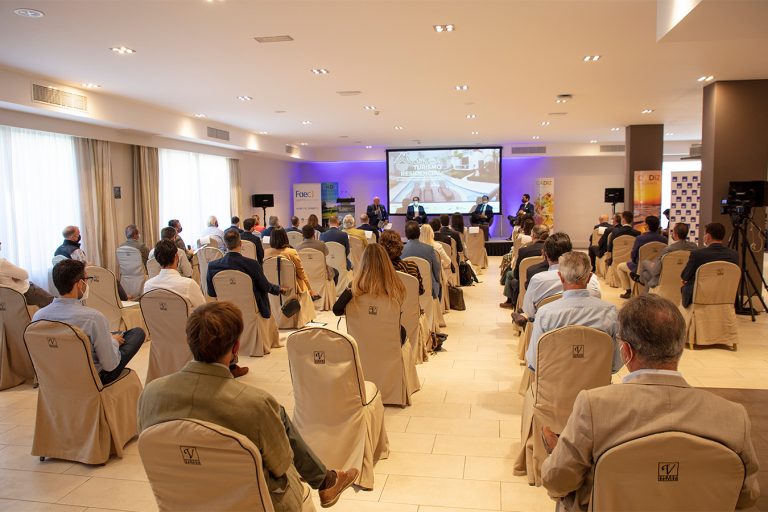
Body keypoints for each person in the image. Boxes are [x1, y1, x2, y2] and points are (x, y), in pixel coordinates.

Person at [540, 295, 759, 512]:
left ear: (626, 351)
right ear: (679, 347)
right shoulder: (734, 417)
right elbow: (747, 496)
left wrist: (558, 453)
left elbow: (557, 481)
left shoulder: (593, 407)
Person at [137, 301, 359, 511]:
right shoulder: (255, 404)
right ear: (236, 348)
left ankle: (327, 480)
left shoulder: (149, 395)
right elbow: (281, 464)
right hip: (254, 502)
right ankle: (326, 481)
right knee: (279, 429)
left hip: (183, 500)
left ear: (188, 341)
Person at [33, 259, 145, 384]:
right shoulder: (93, 318)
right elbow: (110, 365)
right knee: (137, 333)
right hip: (92, 378)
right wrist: (114, 342)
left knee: (109, 334)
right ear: (79, 284)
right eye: (87, 279)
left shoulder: (38, 317)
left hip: (54, 376)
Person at [206, 230, 286, 377]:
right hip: (252, 309)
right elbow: (265, 286)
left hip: (226, 310)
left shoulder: (212, 266)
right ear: (240, 243)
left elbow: (212, 293)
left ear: (225, 244)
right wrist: (278, 289)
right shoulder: (252, 264)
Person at [526, 251, 622, 373]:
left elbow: (534, 362)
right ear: (589, 277)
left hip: (555, 382)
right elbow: (616, 363)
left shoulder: (545, 313)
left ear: (561, 277)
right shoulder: (611, 312)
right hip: (597, 383)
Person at [513, 233, 601, 326]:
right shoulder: (591, 279)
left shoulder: (538, 280)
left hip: (547, 330)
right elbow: (596, 302)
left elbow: (529, 312)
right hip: (586, 329)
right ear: (571, 252)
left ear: (545, 254)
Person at [332, 244, 406, 327]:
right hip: (386, 332)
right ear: (386, 262)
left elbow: (337, 310)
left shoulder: (354, 286)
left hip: (360, 332)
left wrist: (353, 312)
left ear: (363, 263)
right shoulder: (395, 285)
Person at [55, 225, 129, 301]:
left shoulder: (58, 250)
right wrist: (93, 266)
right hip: (80, 279)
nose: (79, 236)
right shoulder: (75, 251)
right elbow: (84, 268)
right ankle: (124, 299)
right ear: (72, 236)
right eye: (78, 234)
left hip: (65, 281)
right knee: (112, 279)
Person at [680, 222, 738, 308]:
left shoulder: (698, 254)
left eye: (704, 234)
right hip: (724, 296)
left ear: (707, 236)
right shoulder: (734, 255)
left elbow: (685, 276)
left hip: (700, 298)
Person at [143, 240, 205, 309]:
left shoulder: (148, 286)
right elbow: (203, 310)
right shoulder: (189, 284)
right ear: (176, 257)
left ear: (157, 260)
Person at [616, 215, 667, 298]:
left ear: (647, 225)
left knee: (619, 267)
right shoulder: (664, 240)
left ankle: (628, 291)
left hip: (639, 266)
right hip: (658, 268)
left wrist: (634, 261)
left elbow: (633, 255)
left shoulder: (640, 238)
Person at [635, 222, 697, 288]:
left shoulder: (668, 250)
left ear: (676, 234)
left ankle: (640, 280)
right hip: (685, 279)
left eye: (672, 231)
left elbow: (655, 271)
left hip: (665, 280)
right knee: (645, 274)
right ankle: (645, 287)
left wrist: (653, 264)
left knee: (644, 263)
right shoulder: (694, 247)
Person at [500, 225, 548, 309]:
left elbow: (516, 274)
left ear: (533, 235)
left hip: (525, 282)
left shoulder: (524, 251)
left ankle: (510, 301)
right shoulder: (551, 250)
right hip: (546, 280)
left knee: (509, 274)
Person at [264, 228, 317, 299]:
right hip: (292, 288)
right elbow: (301, 273)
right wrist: (310, 289)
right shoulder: (291, 252)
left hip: (272, 290)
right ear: (285, 237)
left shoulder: (266, 253)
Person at [0, 240, 54, 307]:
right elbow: (25, 275)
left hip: (12, 298)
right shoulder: (2, 263)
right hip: (26, 291)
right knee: (55, 304)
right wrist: (16, 276)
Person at [401, 221, 441, 301]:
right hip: (429, 290)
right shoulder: (429, 249)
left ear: (406, 234)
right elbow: (436, 271)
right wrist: (438, 282)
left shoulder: (401, 250)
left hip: (406, 289)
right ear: (419, 233)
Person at [379, 229, 424, 296]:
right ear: (400, 245)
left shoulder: (377, 270)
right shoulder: (411, 266)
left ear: (380, 247)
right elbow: (420, 291)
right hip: (408, 302)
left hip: (384, 303)